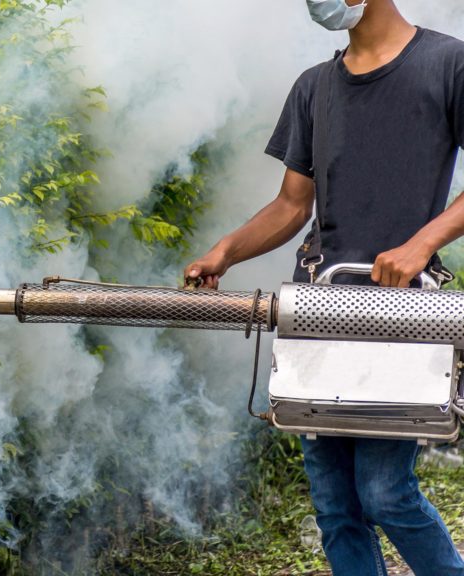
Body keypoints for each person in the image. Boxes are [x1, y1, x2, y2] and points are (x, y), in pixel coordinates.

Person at [184, 1, 464, 574]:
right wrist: (225, 251)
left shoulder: (449, 64)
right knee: (336, 506)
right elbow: (292, 204)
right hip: (317, 305)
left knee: (385, 493)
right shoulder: (315, 87)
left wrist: (419, 246)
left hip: (403, 311)